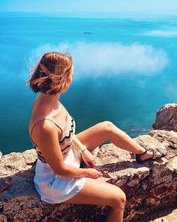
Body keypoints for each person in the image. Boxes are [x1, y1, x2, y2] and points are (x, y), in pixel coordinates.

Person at [27, 51, 166, 222]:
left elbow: (67, 134)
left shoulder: (49, 99)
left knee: (106, 127)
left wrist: (83, 150)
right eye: (70, 74)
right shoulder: (45, 125)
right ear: (62, 80)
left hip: (67, 154)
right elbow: (59, 169)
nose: (72, 77)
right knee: (119, 199)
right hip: (55, 181)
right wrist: (86, 173)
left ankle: (141, 152)